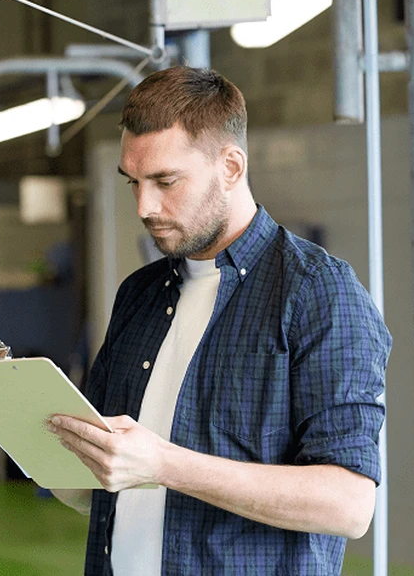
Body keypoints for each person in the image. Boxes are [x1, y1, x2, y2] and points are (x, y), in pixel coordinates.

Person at [47, 66, 390, 575]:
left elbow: (347, 503)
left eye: (165, 181)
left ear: (231, 166)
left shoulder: (317, 291)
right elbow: (96, 475)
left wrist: (163, 464)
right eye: (133, 183)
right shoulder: (139, 294)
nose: (145, 206)